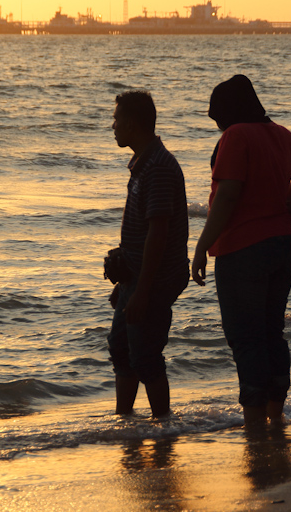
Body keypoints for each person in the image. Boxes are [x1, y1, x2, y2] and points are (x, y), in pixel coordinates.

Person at [191, 75, 291, 426]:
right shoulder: (279, 133)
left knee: (246, 338)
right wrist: (287, 199)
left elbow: (228, 195)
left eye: (216, 116)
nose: (216, 124)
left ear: (229, 111)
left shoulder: (236, 135)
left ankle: (253, 422)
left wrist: (201, 247)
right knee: (270, 332)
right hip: (282, 244)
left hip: (243, 249)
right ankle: (274, 415)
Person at [105, 90, 189, 418]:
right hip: (136, 278)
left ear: (132, 124)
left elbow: (159, 232)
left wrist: (142, 291)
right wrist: (125, 284)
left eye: (116, 119)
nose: (112, 126)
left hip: (154, 280)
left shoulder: (159, 167)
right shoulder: (143, 163)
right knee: (121, 348)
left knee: (145, 356)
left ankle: (163, 425)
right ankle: (124, 420)